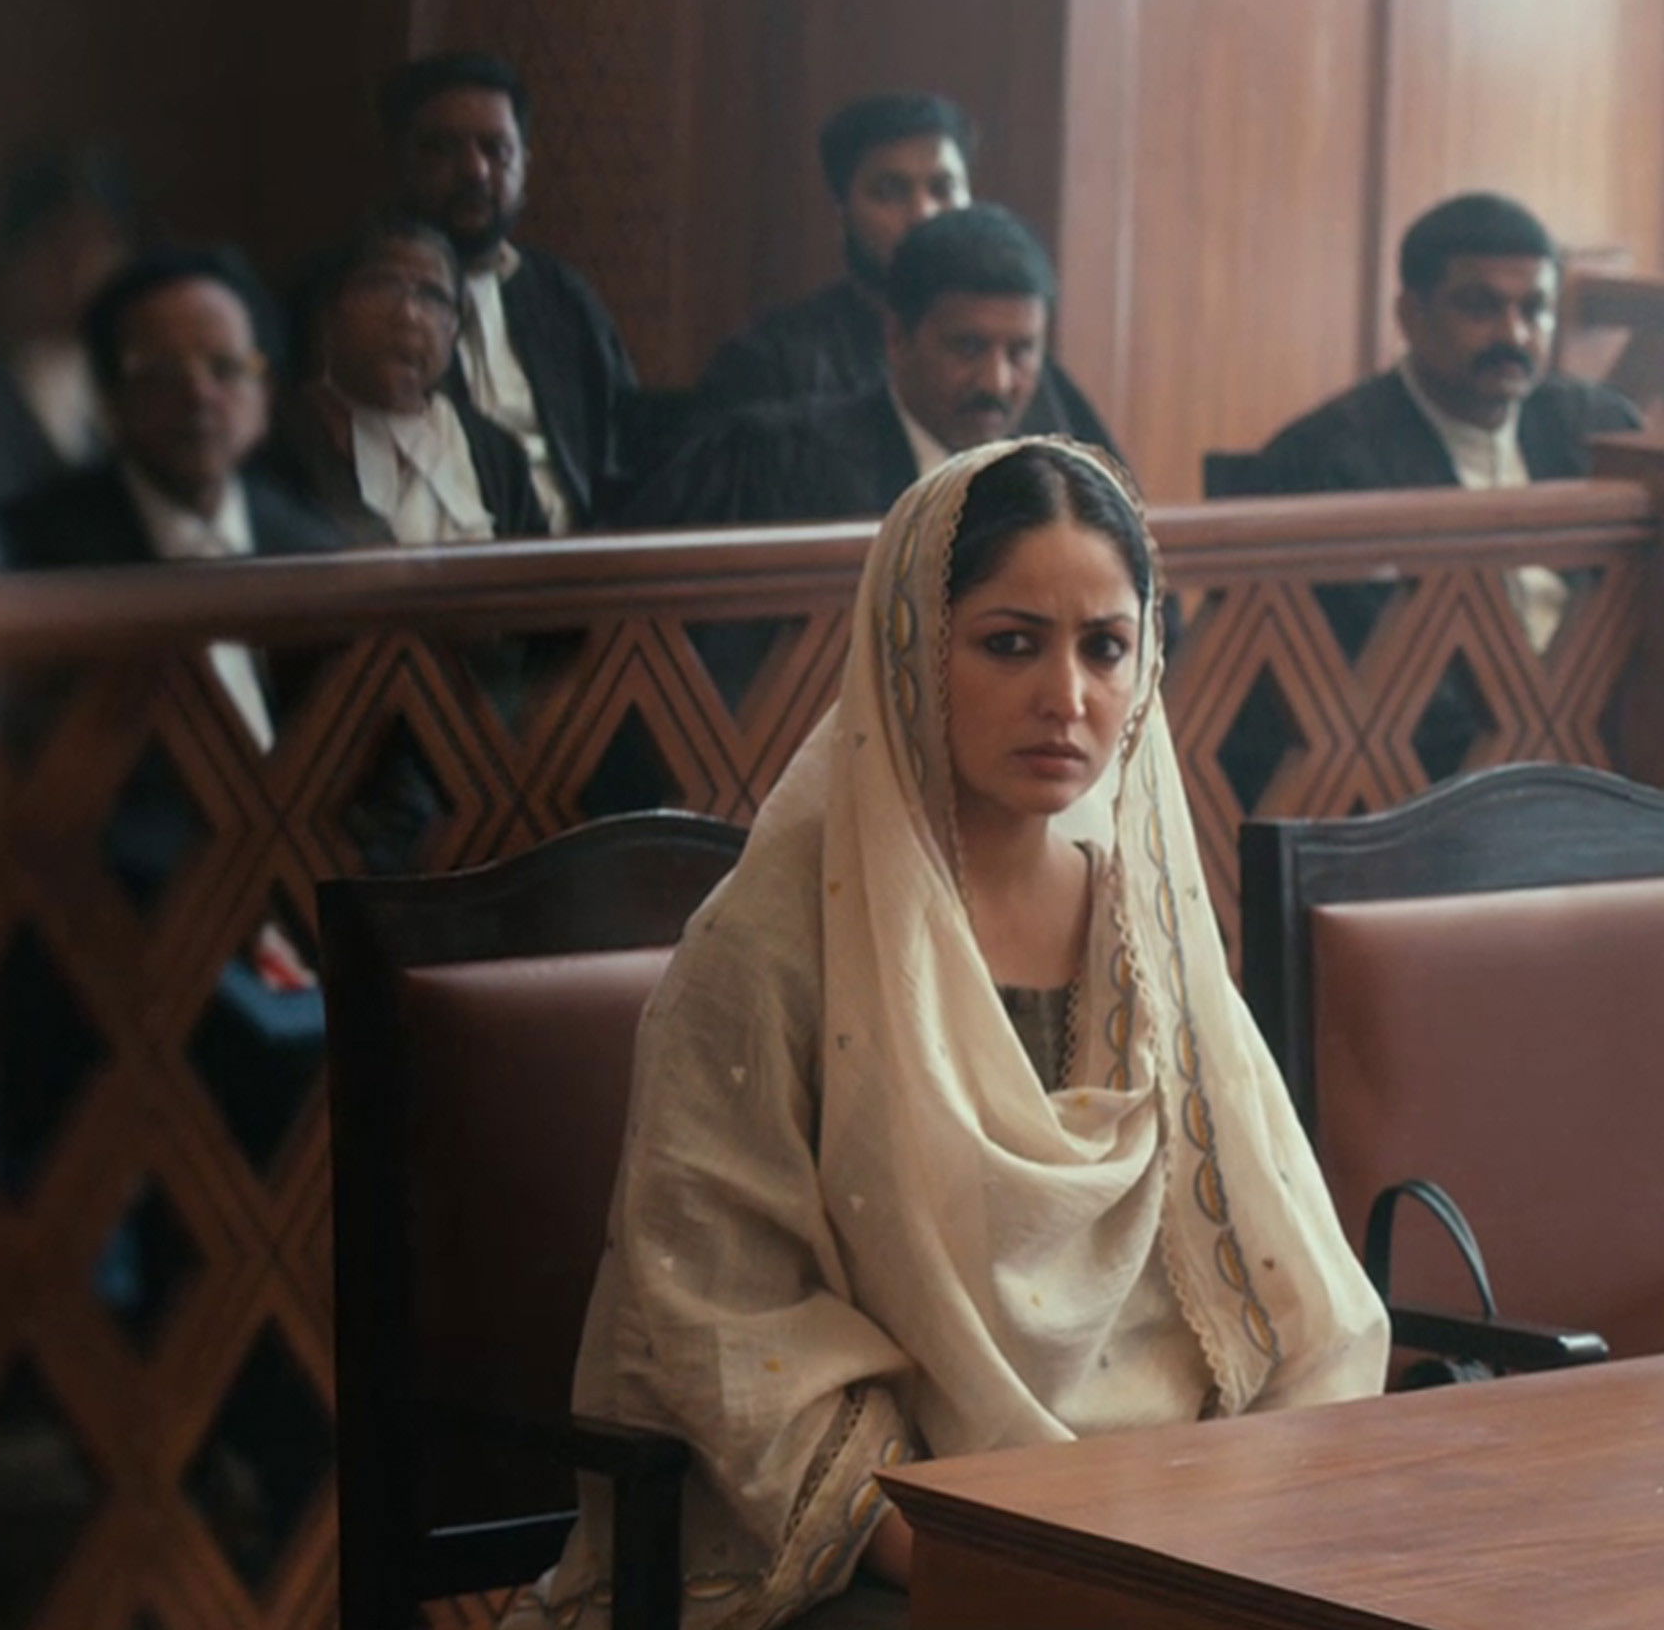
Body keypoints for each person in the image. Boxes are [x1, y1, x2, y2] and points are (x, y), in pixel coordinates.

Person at [508, 441, 1386, 1629]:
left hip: (1165, 1520)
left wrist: (1234, 1543)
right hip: (879, 1543)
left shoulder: (1150, 934)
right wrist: (979, 1565)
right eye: (1011, 644)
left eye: (1105, 648)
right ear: (911, 646)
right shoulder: (773, 941)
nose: (1067, 697)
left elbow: (1286, 1287)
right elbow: (727, 1323)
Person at [1252, 191, 1641, 652]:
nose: (1514, 334)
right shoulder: (1325, 459)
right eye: (1480, 307)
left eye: (1534, 310)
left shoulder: (1601, 428)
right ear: (1412, 315)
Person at [0, 247, 341, 751]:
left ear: (266, 392)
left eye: (225, 366)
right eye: (161, 371)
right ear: (109, 399)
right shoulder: (33, 556)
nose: (199, 394)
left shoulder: (315, 549)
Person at [621, 206, 1113, 530]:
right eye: (968, 347)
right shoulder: (773, 464)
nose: (996, 382)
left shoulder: (1060, 465)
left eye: (1021, 351)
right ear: (897, 338)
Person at [687, 92, 1116, 451]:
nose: (923, 213)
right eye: (890, 191)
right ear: (841, 210)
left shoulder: (1020, 369)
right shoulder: (769, 363)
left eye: (942, 188)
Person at [379, 51, 636, 532]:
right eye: (444, 149)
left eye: (495, 149)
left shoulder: (562, 297)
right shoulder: (358, 304)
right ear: (401, 162)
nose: (475, 171)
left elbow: (626, 449)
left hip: (583, 560)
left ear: (524, 165)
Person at [268, 216, 549, 546]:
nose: (409, 314)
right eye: (383, 286)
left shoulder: (495, 455)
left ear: (453, 329)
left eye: (433, 296)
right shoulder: (280, 441)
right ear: (331, 313)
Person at [0, 139, 138, 511]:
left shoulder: (137, 377)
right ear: (14, 257)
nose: (80, 272)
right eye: (59, 248)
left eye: (100, 246)